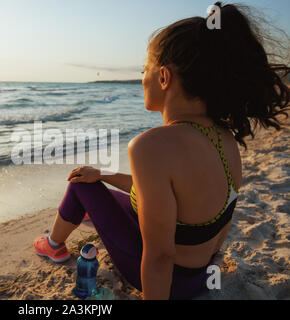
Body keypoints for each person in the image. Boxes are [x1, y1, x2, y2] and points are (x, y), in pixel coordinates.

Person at [34, 2, 289, 300]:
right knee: (91, 179)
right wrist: (101, 173)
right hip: (201, 273)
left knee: (79, 188)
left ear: (164, 77)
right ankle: (70, 226)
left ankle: (53, 245)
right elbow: (168, 195)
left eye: (145, 69)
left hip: (170, 283)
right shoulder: (225, 139)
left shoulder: (150, 145)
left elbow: (160, 256)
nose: (143, 77)